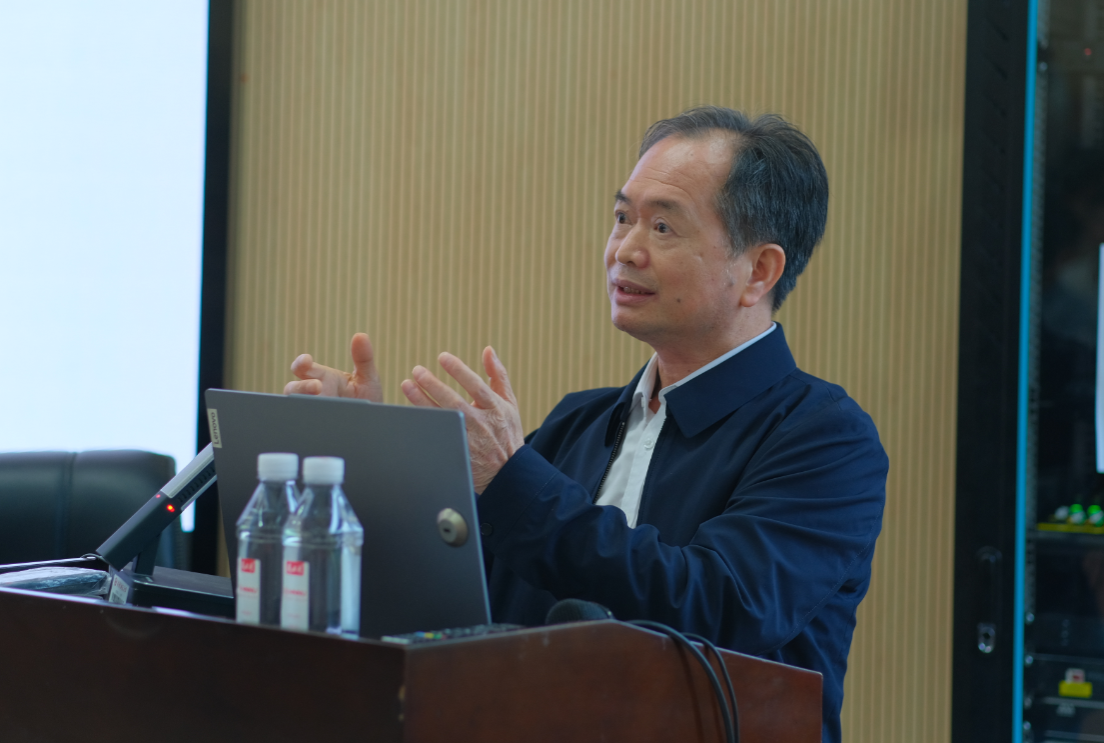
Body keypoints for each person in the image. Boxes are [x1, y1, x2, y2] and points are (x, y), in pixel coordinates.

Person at [284, 106, 887, 743]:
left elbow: (719, 606)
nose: (625, 250)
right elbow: (448, 601)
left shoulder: (826, 438)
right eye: (623, 217)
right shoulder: (579, 420)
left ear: (758, 271)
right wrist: (365, 453)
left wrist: (514, 482)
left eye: (663, 226)